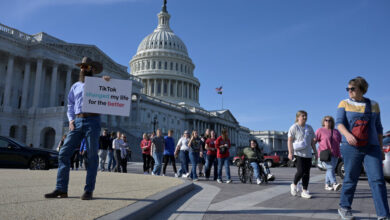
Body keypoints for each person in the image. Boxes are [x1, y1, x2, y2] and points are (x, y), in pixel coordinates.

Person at [44, 57, 107, 200]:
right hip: (77, 121)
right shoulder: (75, 86)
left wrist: (107, 82)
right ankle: (61, 189)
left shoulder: (100, 83)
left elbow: (110, 96)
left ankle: (88, 190)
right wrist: (71, 120)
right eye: (82, 67)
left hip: (93, 121)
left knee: (91, 156)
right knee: (64, 152)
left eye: (86, 67)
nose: (83, 69)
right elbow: (70, 105)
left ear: (92, 69)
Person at [336, 76, 389, 219]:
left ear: (362, 90)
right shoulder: (344, 103)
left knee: (378, 180)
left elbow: (378, 127)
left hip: (371, 147)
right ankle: (344, 207)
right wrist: (347, 135)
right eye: (348, 89)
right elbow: (339, 123)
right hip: (351, 146)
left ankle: (383, 215)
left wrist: (380, 148)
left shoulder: (374, 105)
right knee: (351, 178)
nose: (349, 91)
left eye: (352, 88)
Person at [288, 110, 317, 199]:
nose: (305, 117)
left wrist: (315, 152)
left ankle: (304, 191)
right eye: (303, 116)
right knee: (300, 171)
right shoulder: (294, 127)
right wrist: (290, 152)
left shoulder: (309, 128)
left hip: (308, 154)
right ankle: (294, 184)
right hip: (298, 154)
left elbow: (312, 142)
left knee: (306, 173)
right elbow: (289, 140)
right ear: (298, 117)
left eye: (305, 116)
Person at [316, 116, 342, 191]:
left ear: (332, 122)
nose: (328, 122)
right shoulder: (320, 130)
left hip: (335, 153)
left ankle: (327, 185)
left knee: (330, 169)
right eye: (326, 120)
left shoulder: (336, 131)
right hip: (325, 153)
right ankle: (334, 183)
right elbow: (315, 140)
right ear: (323, 122)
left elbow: (340, 141)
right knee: (330, 168)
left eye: (329, 120)